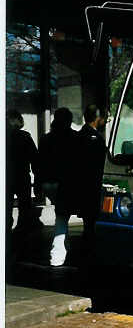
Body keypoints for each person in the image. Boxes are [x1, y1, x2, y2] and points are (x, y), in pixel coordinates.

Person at [37, 108, 78, 266]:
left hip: (48, 183)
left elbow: (39, 163)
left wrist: (39, 184)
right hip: (65, 183)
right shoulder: (74, 138)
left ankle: (62, 248)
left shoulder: (46, 139)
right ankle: (57, 254)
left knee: (61, 213)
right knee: (62, 216)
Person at [74, 105, 108, 265]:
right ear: (97, 119)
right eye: (103, 118)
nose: (105, 121)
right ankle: (90, 252)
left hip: (81, 185)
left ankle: (87, 249)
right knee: (92, 220)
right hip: (92, 185)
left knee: (88, 221)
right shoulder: (95, 138)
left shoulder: (78, 135)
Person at [6, 109, 39, 235]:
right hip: (22, 175)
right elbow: (35, 159)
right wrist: (38, 179)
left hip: (6, 176)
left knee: (6, 205)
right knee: (24, 205)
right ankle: (22, 228)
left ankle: (7, 227)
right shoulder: (25, 137)